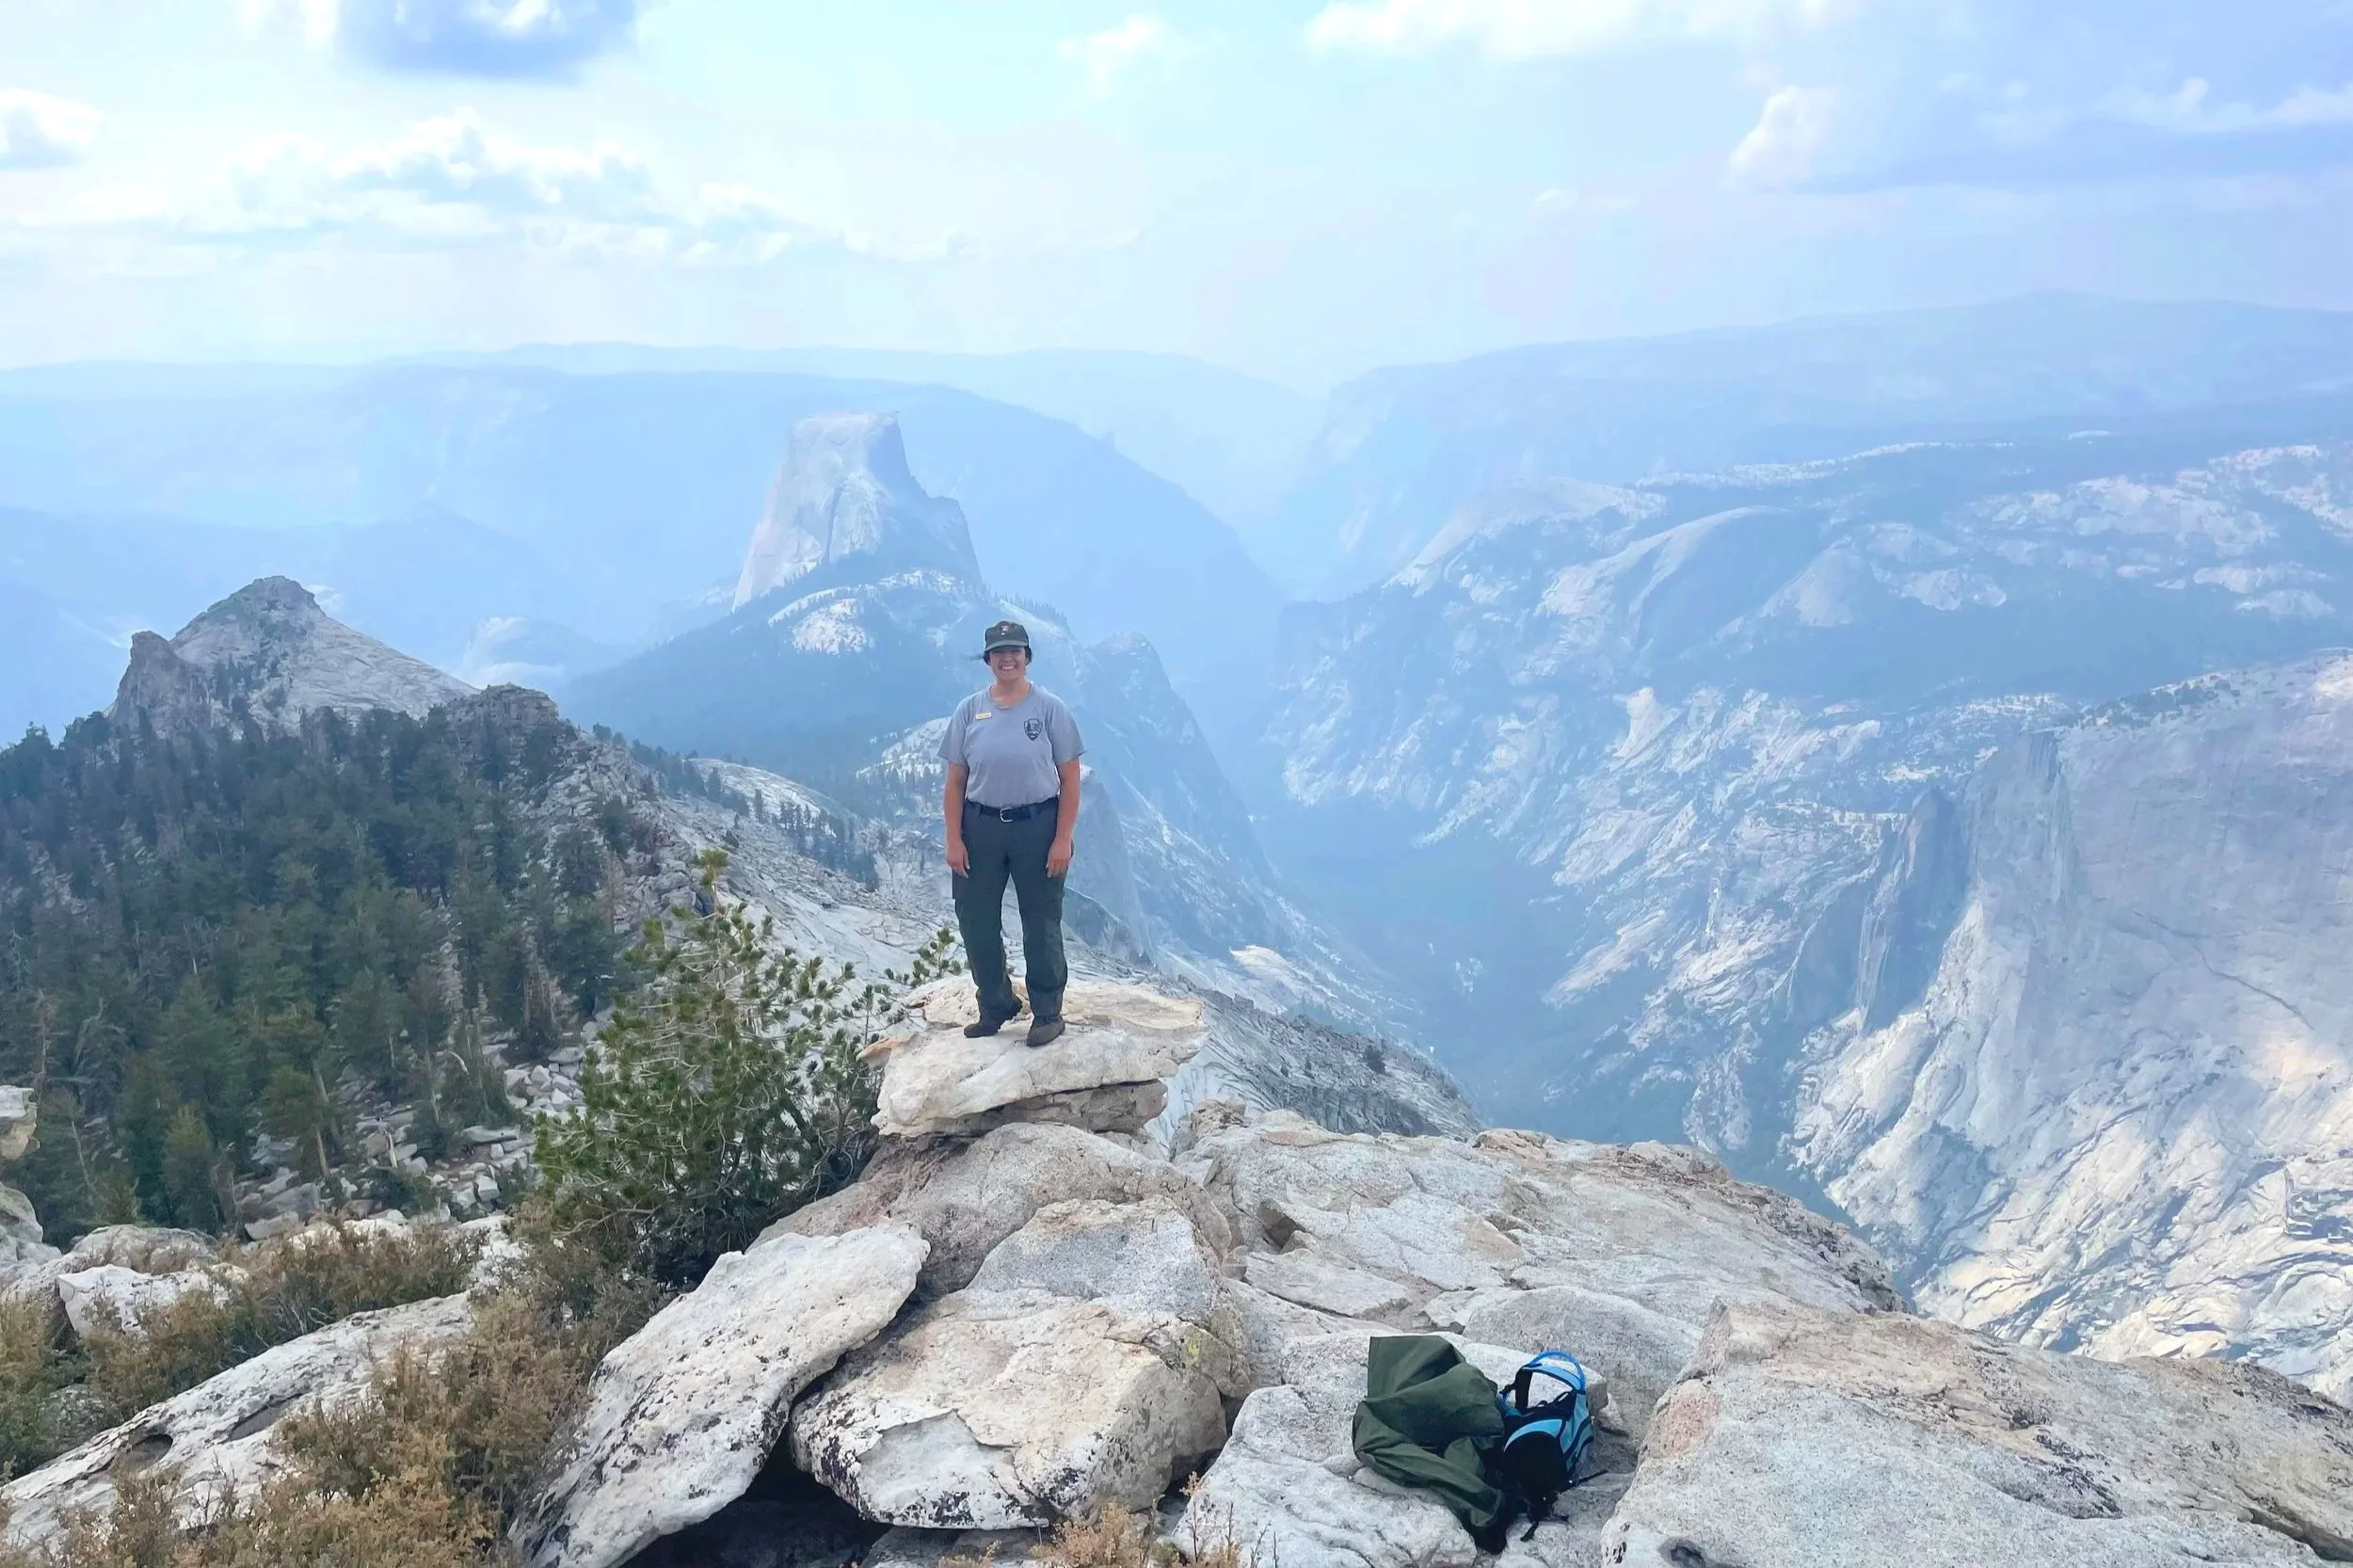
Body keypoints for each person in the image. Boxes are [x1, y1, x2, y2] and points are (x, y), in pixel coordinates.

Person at [939, 619, 1084, 1047]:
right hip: (980, 825)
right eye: (999, 652)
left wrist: (1062, 838)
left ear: (1027, 657)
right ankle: (996, 1003)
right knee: (976, 919)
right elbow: (954, 782)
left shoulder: (1050, 709)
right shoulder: (969, 711)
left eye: (1015, 651)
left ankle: (1047, 1011)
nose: (1008, 658)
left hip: (1037, 826)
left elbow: (1071, 781)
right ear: (987, 660)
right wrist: (953, 837)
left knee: (1040, 920)